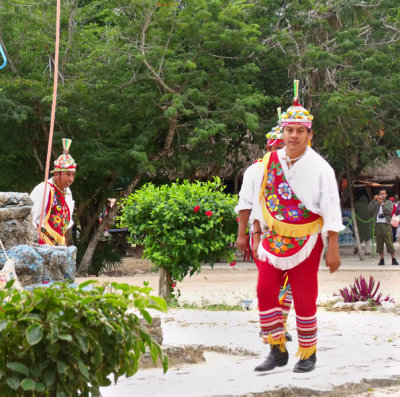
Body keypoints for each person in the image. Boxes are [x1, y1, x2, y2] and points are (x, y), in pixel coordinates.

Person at [251, 84, 344, 374]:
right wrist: (255, 231)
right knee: (265, 291)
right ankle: (277, 349)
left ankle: (308, 353)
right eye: (289, 130)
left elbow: (331, 208)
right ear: (282, 133)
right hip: (273, 240)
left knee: (304, 297)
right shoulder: (269, 162)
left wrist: (334, 250)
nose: (293, 135)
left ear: (309, 135)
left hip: (307, 239)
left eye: (300, 131)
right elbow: (262, 198)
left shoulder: (321, 168)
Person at [235, 116, 294, 341]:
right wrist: (247, 234)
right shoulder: (255, 171)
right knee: (270, 282)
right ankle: (269, 325)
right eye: (278, 145)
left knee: (289, 283)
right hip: (264, 235)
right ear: (269, 147)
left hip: (291, 237)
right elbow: (246, 205)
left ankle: (282, 324)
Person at [30, 139, 76, 246]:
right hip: (42, 243)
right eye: (68, 174)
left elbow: (66, 222)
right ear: (56, 173)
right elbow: (30, 217)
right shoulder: (43, 189)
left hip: (59, 244)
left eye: (73, 175)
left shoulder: (68, 192)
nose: (71, 179)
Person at [368, 190, 399, 266]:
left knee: (389, 241)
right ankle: (381, 259)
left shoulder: (389, 203)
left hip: (386, 225)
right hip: (377, 225)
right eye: (380, 194)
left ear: (386, 195)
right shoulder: (375, 203)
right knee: (379, 242)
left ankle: (393, 259)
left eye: (383, 194)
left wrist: (382, 203)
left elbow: (388, 211)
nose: (381, 195)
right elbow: (370, 210)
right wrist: (373, 200)